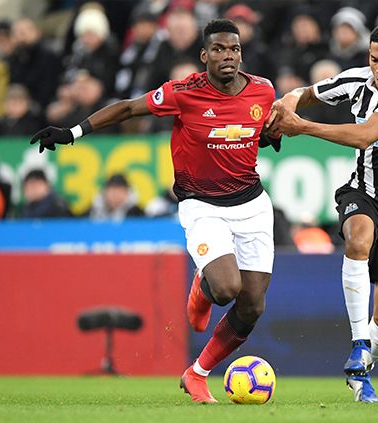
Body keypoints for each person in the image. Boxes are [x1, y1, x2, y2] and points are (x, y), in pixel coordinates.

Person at [29, 19, 281, 404]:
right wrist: (72, 132)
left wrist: (271, 133)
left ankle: (197, 374)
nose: (227, 56)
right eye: (218, 49)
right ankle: (204, 285)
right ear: (204, 55)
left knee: (253, 303)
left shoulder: (262, 90)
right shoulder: (184, 93)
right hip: (202, 205)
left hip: (252, 204)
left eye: (233, 49)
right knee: (228, 288)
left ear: (240, 53)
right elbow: (129, 109)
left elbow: (263, 124)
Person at [268, 23, 378, 403]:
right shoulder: (356, 81)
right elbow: (306, 93)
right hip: (365, 191)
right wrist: (286, 103)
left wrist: (301, 127)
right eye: (374, 59)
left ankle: (363, 367)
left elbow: (364, 135)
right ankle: (358, 345)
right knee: (357, 238)